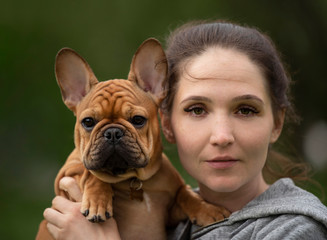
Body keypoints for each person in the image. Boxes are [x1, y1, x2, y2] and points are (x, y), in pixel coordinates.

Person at [43, 20, 327, 239]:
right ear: (166, 124)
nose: (222, 136)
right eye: (197, 110)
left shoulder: (295, 229)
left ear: (277, 123)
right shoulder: (177, 223)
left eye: (245, 110)